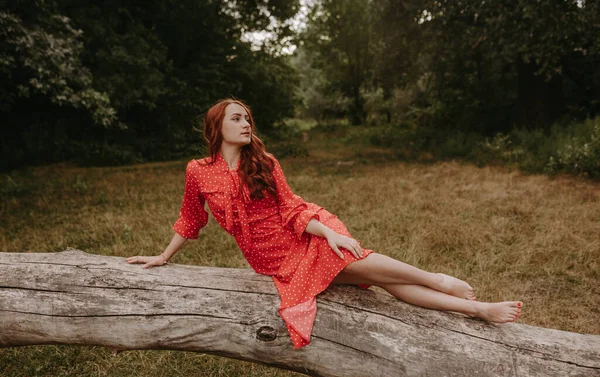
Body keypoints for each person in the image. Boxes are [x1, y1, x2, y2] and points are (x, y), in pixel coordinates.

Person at [127, 98, 522, 349]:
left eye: (248, 118)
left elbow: (293, 210)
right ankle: (460, 297)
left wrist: (329, 232)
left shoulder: (264, 164)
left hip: (306, 239)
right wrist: (163, 256)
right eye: (237, 118)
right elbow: (190, 219)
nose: (247, 123)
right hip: (274, 263)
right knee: (383, 280)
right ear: (218, 128)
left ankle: (464, 299)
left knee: (372, 269)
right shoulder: (198, 171)